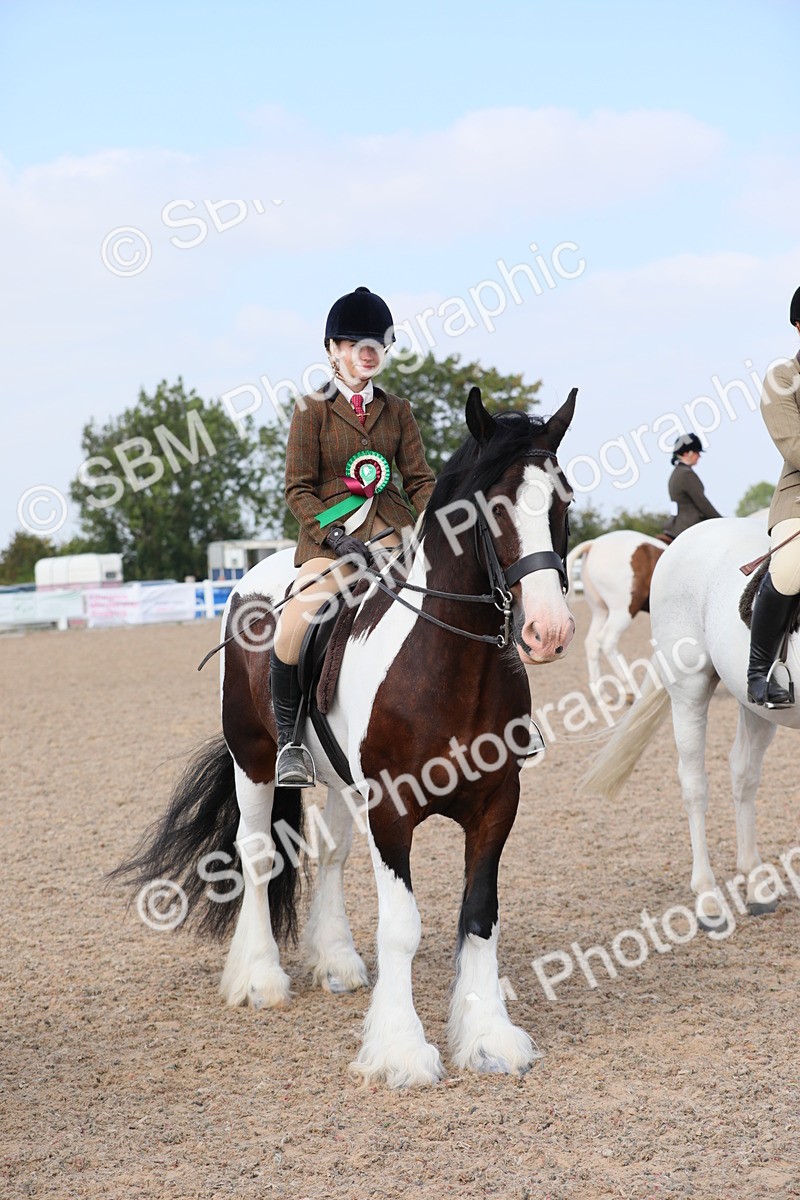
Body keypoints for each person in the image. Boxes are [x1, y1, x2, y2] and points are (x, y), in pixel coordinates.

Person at [270, 286, 436, 785]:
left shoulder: (398, 409)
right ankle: (290, 744)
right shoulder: (311, 410)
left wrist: (444, 524)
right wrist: (334, 533)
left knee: (468, 593)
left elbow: (420, 480)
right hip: (333, 547)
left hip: (397, 537)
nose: (368, 351)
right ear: (333, 350)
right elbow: (297, 488)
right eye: (355, 343)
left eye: (377, 343)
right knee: (295, 623)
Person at [746, 285, 800, 707]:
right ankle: (759, 672)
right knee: (791, 567)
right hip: (798, 495)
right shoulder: (783, 377)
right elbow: (793, 445)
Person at [661, 432, 722, 542]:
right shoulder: (686, 474)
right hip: (690, 527)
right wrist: (722, 522)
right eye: (697, 452)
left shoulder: (676, 473)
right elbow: (703, 503)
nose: (699, 456)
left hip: (676, 525)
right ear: (688, 453)